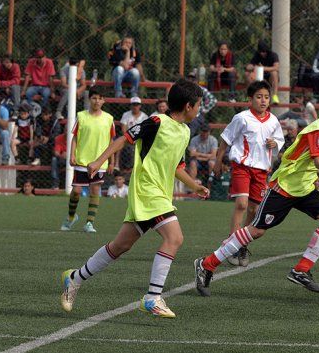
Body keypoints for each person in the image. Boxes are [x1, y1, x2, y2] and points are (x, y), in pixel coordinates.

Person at [194, 89, 319, 296]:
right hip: (284, 187)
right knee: (256, 231)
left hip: (303, 188)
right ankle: (207, 263)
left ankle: (301, 270)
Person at [60, 79, 210, 319]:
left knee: (120, 246)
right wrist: (98, 161)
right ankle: (153, 297)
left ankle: (75, 278)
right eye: (199, 105)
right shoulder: (156, 122)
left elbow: (177, 166)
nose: (199, 110)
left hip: (159, 194)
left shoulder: (184, 131)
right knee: (174, 237)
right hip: (146, 191)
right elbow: (124, 139)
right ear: (188, 106)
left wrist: (194, 186)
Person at [213, 80, 284, 266]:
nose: (263, 100)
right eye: (259, 97)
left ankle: (241, 243)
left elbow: (279, 141)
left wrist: (275, 143)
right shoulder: (241, 118)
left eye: (266, 97)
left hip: (262, 171)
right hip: (242, 167)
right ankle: (231, 246)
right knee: (242, 204)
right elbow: (225, 140)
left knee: (254, 209)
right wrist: (218, 161)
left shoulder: (273, 121)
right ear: (250, 99)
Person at [60, 87, 116, 234]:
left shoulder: (109, 119)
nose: (97, 101)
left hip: (100, 162)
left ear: (104, 101)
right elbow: (75, 137)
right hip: (82, 161)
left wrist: (112, 161)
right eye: (94, 98)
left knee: (95, 191)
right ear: (89, 99)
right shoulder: (81, 116)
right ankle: (71, 217)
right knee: (76, 191)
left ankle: (89, 223)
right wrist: (72, 155)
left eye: (100, 98)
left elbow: (112, 141)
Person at [118, 96, 149, 170]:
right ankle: (117, 165)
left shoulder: (145, 116)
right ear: (131, 105)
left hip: (140, 139)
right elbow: (123, 129)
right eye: (133, 104)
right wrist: (130, 139)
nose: (135, 106)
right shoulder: (126, 114)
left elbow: (146, 131)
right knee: (119, 145)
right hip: (128, 137)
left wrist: (136, 140)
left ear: (140, 106)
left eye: (137, 104)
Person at [52, 123, 67, 189]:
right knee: (54, 159)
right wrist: (61, 155)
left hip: (74, 158)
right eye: (66, 130)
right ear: (64, 130)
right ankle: (55, 184)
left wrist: (69, 154)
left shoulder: (77, 138)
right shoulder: (59, 138)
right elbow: (56, 152)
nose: (67, 132)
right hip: (62, 159)